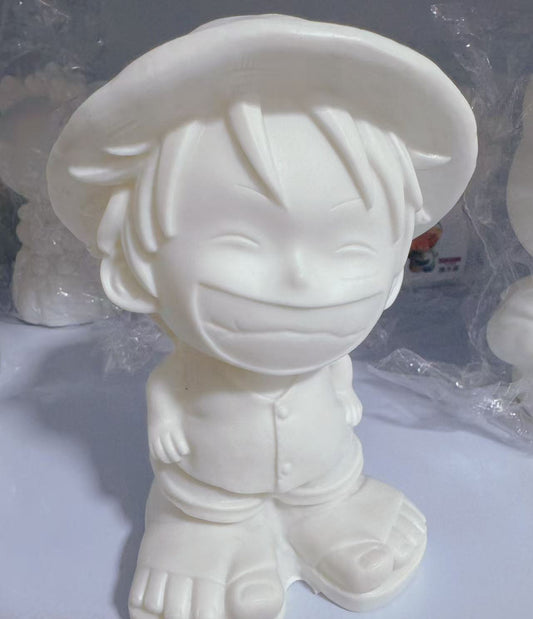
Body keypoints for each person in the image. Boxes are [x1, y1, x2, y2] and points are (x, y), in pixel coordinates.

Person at [47, 14, 477, 619]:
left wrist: (341, 390)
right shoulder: (188, 372)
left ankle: (325, 513)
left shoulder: (328, 356)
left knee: (328, 484)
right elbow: (167, 389)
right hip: (210, 489)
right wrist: (165, 423)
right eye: (241, 241)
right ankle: (203, 531)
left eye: (349, 247)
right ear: (134, 266)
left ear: (393, 275)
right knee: (206, 503)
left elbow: (336, 373)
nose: (300, 278)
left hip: (324, 472)